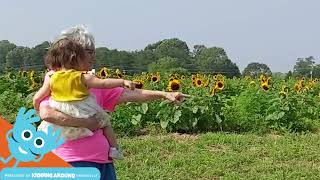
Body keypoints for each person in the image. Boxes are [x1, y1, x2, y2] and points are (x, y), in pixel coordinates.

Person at [38, 25, 188, 180]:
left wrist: (165, 94)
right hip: (71, 161)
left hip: (102, 161)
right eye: (89, 51)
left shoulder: (93, 83)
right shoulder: (55, 82)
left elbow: (134, 94)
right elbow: (47, 113)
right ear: (72, 54)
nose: (93, 56)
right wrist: (88, 123)